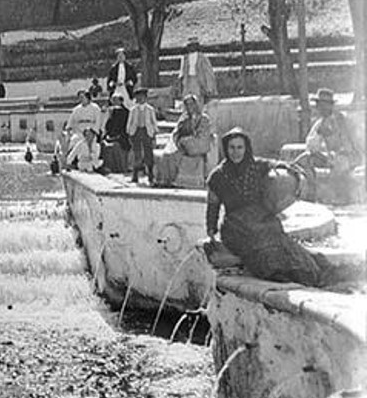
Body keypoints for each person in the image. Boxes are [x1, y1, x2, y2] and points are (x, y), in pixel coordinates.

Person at [205, 128, 329, 287]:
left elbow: (278, 165)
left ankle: (304, 273)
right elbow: (212, 207)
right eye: (232, 148)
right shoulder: (217, 176)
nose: (236, 152)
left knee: (279, 240)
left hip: (262, 219)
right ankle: (275, 272)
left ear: (246, 148)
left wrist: (291, 172)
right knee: (260, 244)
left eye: (239, 147)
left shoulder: (257, 165)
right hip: (236, 226)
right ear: (226, 149)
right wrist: (211, 231)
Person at [293, 88, 361, 203]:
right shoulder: (320, 123)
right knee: (303, 160)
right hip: (332, 157)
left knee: (339, 166)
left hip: (349, 157)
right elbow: (310, 146)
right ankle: (310, 195)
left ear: (331, 105)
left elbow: (352, 144)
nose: (320, 108)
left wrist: (336, 153)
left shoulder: (343, 120)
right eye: (319, 104)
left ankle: (340, 199)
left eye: (324, 104)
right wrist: (320, 133)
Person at [154, 94, 213, 187]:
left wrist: (187, 141)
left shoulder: (204, 118)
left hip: (195, 146)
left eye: (191, 104)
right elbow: (176, 132)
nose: (189, 107)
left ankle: (173, 181)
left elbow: (203, 136)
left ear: (196, 105)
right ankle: (165, 180)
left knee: (175, 156)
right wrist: (178, 140)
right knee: (166, 155)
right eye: (187, 104)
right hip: (182, 145)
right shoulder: (183, 118)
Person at [126, 87, 157, 184]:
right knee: (137, 153)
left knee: (148, 153)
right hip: (136, 131)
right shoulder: (133, 110)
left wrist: (154, 133)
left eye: (142, 97)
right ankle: (135, 176)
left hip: (146, 131)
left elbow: (153, 122)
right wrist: (129, 133)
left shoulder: (150, 109)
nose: (140, 99)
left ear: (146, 98)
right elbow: (130, 122)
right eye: (138, 97)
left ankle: (150, 175)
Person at [178, 37, 217, 105]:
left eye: (193, 45)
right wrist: (180, 85)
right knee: (187, 100)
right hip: (188, 82)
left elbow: (208, 73)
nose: (192, 47)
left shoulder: (202, 58)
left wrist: (209, 87)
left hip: (198, 81)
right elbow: (182, 73)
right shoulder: (185, 58)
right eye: (190, 45)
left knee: (198, 100)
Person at [101, 94, 131, 174]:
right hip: (111, 135)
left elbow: (124, 126)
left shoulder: (125, 112)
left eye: (116, 100)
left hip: (121, 135)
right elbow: (108, 125)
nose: (114, 102)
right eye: (113, 100)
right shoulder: (111, 111)